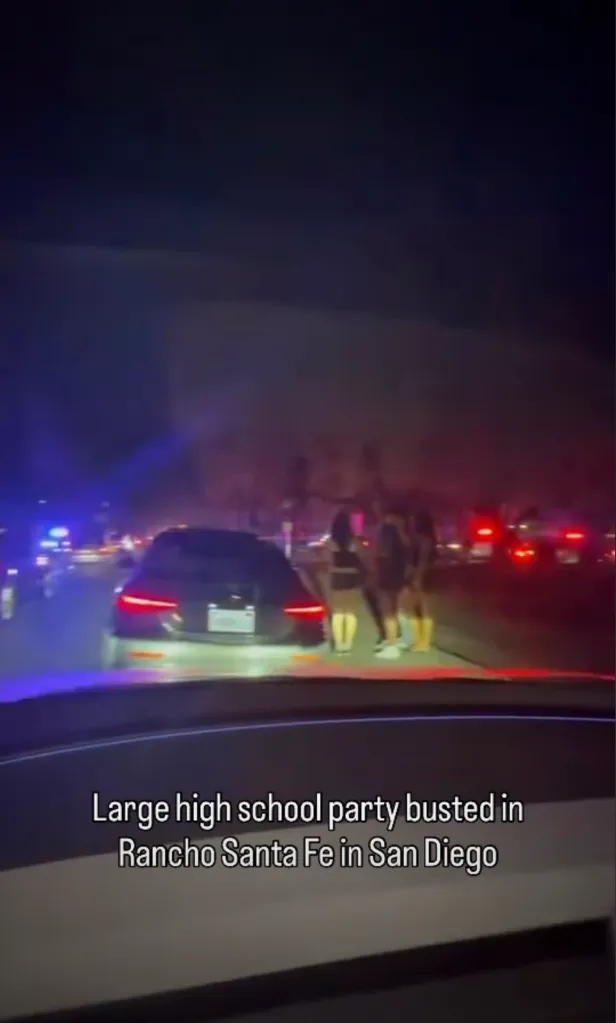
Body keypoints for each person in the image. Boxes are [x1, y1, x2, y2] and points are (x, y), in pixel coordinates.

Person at [323, 508, 367, 654]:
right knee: (350, 612)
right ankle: (348, 643)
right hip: (352, 577)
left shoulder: (330, 542)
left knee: (337, 613)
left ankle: (340, 643)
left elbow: (328, 563)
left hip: (337, 578)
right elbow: (362, 558)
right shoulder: (355, 542)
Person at [374, 506, 411, 659]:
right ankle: (396, 640)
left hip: (388, 576)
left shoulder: (387, 538)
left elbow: (379, 557)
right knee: (396, 610)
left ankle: (392, 644)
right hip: (399, 576)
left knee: (388, 612)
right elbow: (408, 561)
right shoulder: (404, 538)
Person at [406, 506, 438, 652]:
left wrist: (416, 576)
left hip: (420, 576)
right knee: (424, 609)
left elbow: (422, 560)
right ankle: (424, 642)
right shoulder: (430, 539)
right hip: (429, 576)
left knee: (416, 609)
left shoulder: (421, 539)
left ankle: (421, 642)